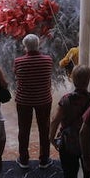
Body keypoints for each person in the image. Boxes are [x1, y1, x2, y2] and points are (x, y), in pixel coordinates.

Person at [51, 65, 90, 178]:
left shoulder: (66, 99)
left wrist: (51, 138)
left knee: (70, 172)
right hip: (87, 142)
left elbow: (55, 120)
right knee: (88, 170)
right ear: (88, 80)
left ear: (72, 79)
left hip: (68, 141)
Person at [13, 33, 54, 169]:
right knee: (44, 128)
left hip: (24, 100)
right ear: (38, 45)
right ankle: (44, 159)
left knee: (24, 129)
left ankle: (24, 159)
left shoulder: (19, 62)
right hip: (43, 99)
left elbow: (16, 77)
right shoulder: (48, 60)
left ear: (25, 46)